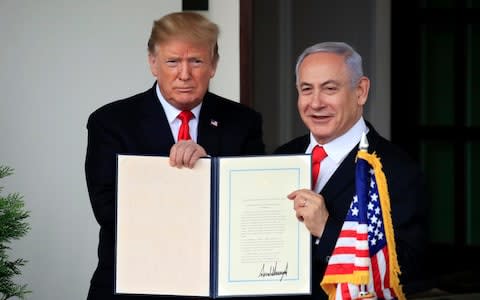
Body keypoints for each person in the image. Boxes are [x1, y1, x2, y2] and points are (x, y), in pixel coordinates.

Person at [84, 12, 264, 299]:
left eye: (196, 61)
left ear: (214, 64)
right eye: (172, 61)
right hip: (133, 286)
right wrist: (188, 180)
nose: (184, 74)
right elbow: (108, 211)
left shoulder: (243, 122)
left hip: (215, 286)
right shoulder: (111, 122)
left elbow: (253, 206)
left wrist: (209, 165)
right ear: (153, 63)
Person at [274, 42, 429, 299]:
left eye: (330, 89)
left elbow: (407, 268)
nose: (315, 103)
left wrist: (327, 229)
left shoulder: (396, 169)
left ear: (361, 91)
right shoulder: (281, 156)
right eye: (306, 89)